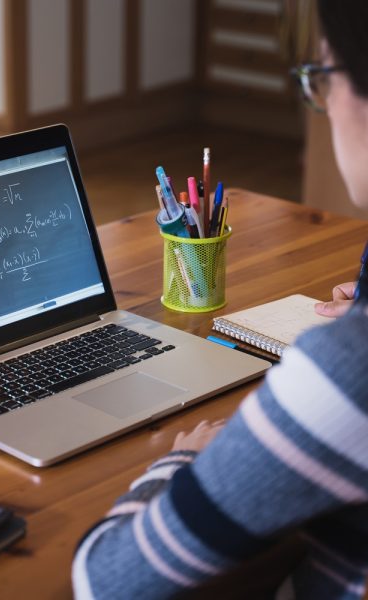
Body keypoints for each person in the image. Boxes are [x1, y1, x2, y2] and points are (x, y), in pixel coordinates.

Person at [72, 1, 368, 598]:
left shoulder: (349, 373)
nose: (324, 105)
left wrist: (180, 464)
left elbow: (105, 579)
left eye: (323, 78)